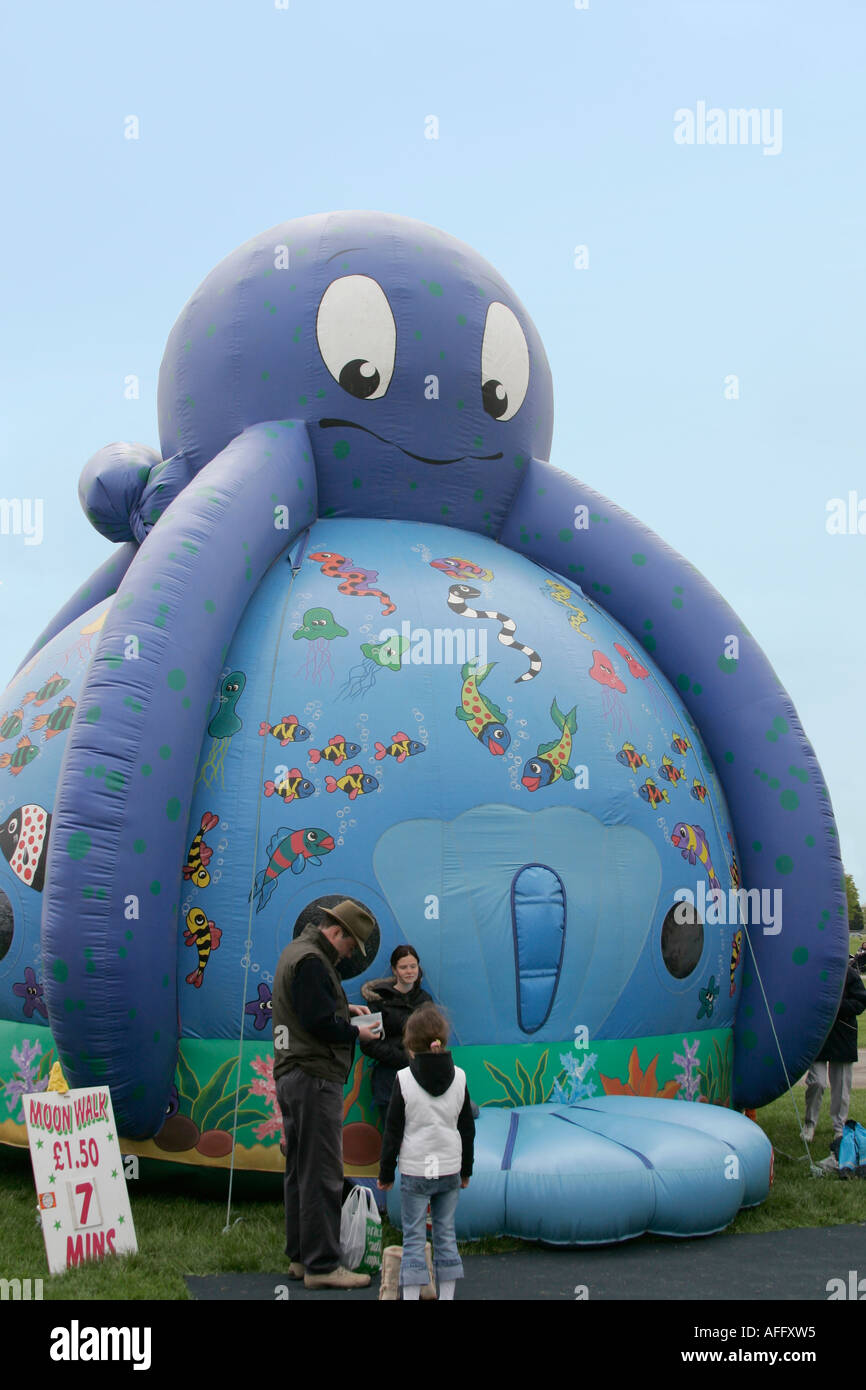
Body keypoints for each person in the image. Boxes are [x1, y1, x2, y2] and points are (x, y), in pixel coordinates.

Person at [273, 899, 382, 1289]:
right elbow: (318, 1023)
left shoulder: (297, 953)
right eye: (351, 947)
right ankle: (322, 1266)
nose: (349, 955)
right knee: (322, 1170)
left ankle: (301, 1257)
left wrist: (343, 1010)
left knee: (299, 1169)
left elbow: (312, 1009)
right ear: (337, 933)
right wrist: (358, 1032)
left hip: (292, 1073)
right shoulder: (315, 962)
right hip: (315, 1076)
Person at [377, 1004, 474, 1301]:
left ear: (409, 1044)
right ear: (442, 1040)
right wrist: (466, 1169)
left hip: (417, 1167)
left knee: (414, 1237)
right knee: (445, 1233)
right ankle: (446, 1296)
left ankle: (408, 1296)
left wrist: (385, 1172)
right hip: (448, 1167)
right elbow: (467, 1127)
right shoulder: (460, 1076)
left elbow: (393, 1130)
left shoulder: (403, 1079)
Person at [359, 945, 432, 1126]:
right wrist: (402, 1057)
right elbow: (367, 1044)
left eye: (413, 966)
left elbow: (433, 1036)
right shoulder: (376, 1000)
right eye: (403, 967)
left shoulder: (426, 1001)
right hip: (388, 1080)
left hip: (420, 1078)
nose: (409, 971)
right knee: (393, 1136)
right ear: (394, 970)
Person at [802, 958, 866, 1145]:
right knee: (817, 1082)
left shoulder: (850, 975)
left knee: (841, 1088)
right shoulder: (814, 973)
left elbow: (860, 1001)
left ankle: (839, 1127)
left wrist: (836, 1007)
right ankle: (809, 1123)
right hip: (819, 1036)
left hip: (843, 1036)